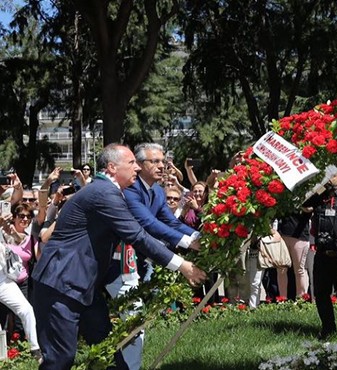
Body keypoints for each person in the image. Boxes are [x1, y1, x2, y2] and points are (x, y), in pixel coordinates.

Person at [31, 143, 207, 369]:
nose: (137, 168)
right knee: (60, 358)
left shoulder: (111, 192)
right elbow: (138, 235)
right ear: (112, 168)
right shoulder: (104, 193)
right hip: (61, 284)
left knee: (106, 350)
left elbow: (157, 225)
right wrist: (182, 265)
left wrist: (195, 240)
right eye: (132, 163)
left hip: (83, 287)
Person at [106, 143, 201, 369]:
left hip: (139, 263)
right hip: (115, 266)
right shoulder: (129, 190)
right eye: (155, 161)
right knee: (134, 319)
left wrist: (199, 236)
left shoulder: (157, 190)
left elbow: (168, 221)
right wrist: (189, 242)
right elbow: (147, 223)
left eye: (163, 161)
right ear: (139, 165)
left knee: (133, 320)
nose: (162, 166)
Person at [308, 165, 337, 339]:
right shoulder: (320, 196)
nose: (330, 176)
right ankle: (328, 329)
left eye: (333, 173)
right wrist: (321, 187)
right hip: (322, 253)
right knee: (321, 293)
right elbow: (304, 205)